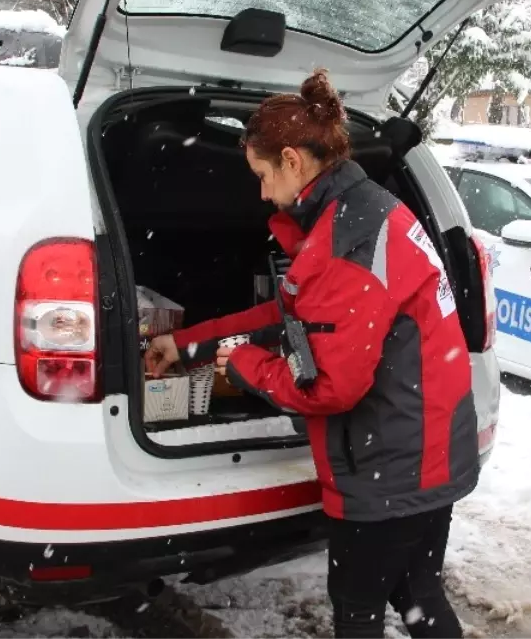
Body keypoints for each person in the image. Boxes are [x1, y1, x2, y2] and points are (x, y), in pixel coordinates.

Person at [145, 69, 479, 639]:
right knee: (417, 594)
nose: (260, 192)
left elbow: (329, 386)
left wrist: (244, 367)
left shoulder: (345, 242)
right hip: (429, 449)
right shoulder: (367, 209)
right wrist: (189, 342)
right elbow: (290, 315)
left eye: (261, 174)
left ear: (294, 162)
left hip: (388, 470)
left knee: (357, 610)